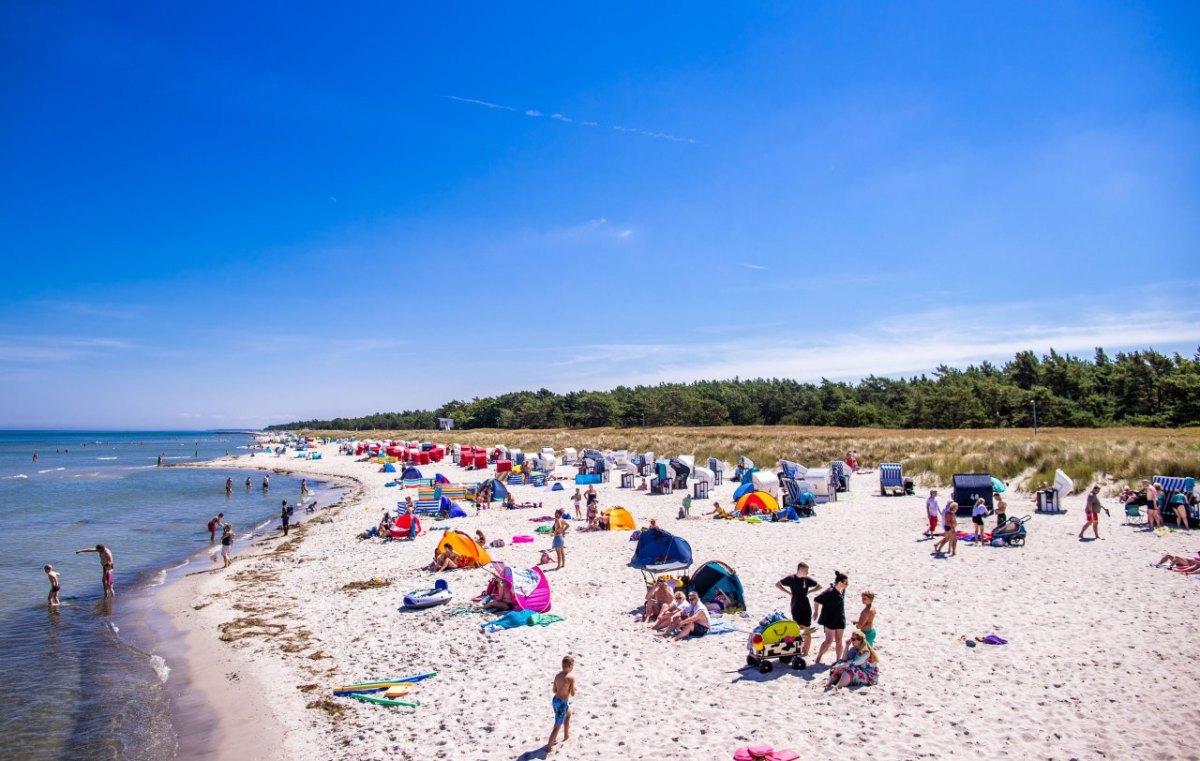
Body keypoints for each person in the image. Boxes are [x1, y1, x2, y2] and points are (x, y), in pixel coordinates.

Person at [776, 562, 819, 656]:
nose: (807, 572)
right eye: (806, 570)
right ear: (800, 569)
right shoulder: (791, 578)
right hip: (795, 605)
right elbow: (778, 584)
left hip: (806, 606)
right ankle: (797, 649)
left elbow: (819, 586)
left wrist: (810, 591)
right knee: (797, 629)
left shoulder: (807, 580)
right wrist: (788, 592)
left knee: (807, 629)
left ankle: (806, 652)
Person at [812, 571, 848, 664]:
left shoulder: (842, 590)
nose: (847, 585)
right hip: (830, 619)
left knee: (839, 641)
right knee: (829, 641)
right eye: (846, 583)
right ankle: (818, 657)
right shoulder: (829, 592)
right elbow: (816, 600)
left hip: (840, 618)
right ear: (840, 583)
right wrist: (816, 612)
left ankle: (838, 660)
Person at [545, 655, 576, 754]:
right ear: (570, 666)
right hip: (562, 704)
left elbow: (554, 690)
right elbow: (572, 693)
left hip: (555, 701)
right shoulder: (571, 678)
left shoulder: (557, 676)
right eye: (573, 666)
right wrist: (574, 689)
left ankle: (566, 735)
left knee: (568, 713)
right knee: (557, 726)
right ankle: (549, 747)